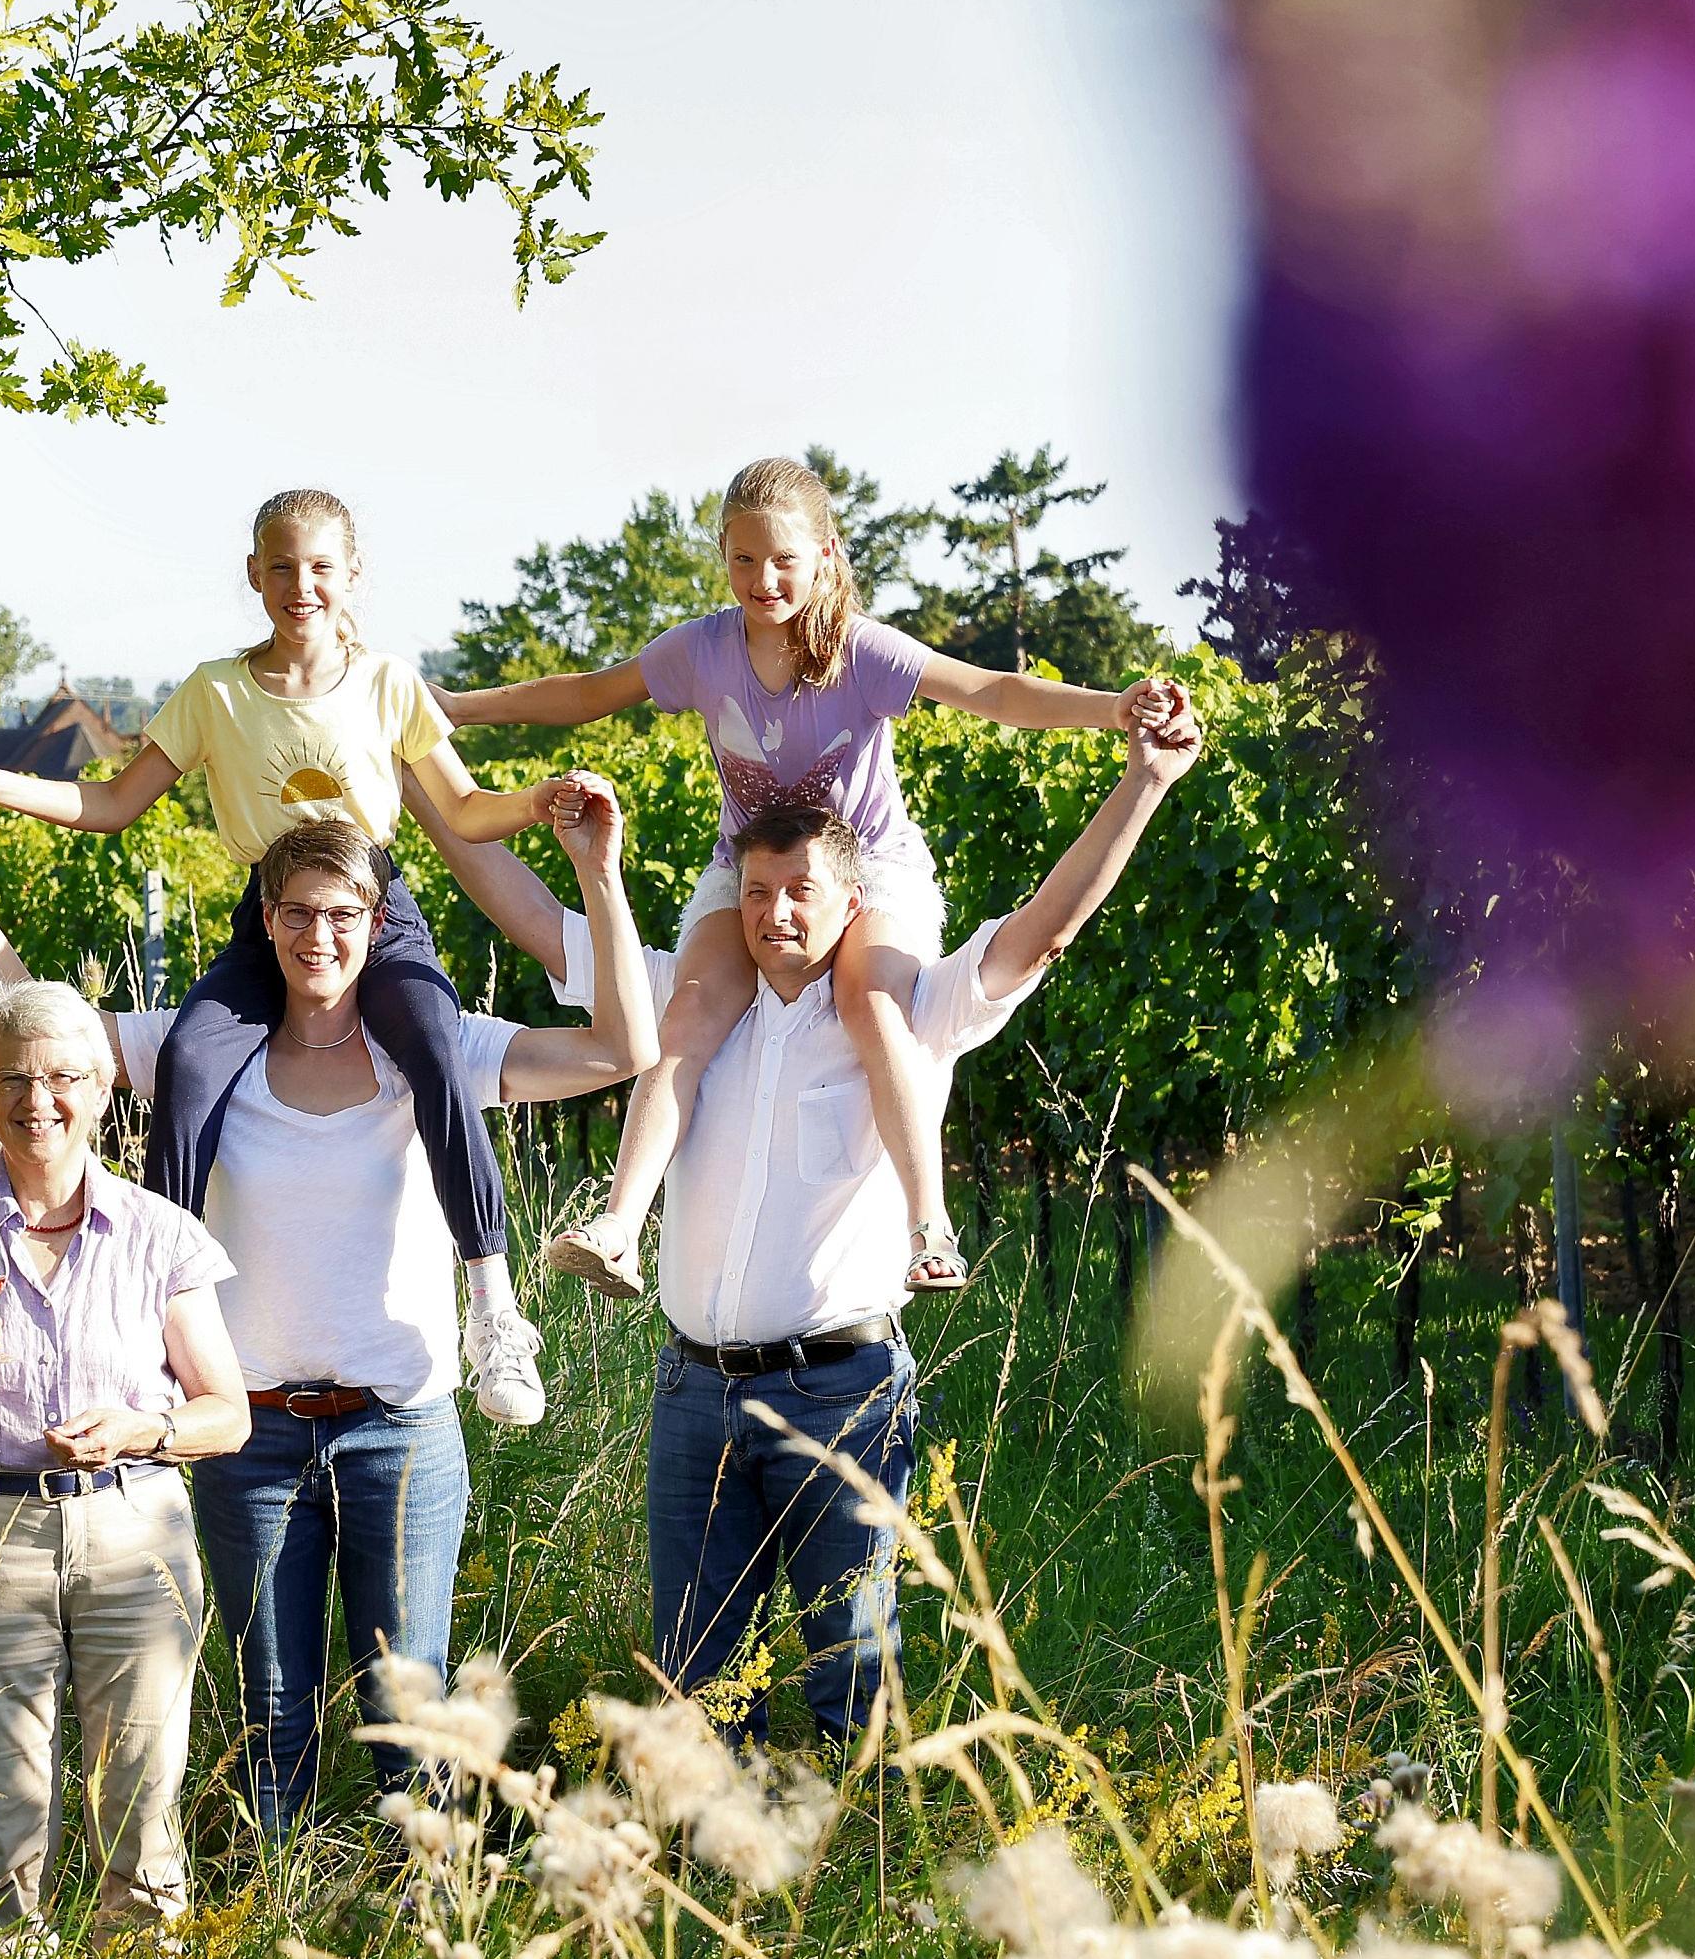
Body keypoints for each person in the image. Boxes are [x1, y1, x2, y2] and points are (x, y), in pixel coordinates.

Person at [0, 752, 658, 1835]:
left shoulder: (428, 1051)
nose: (319, 936)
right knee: (271, 1714)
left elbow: (621, 1048)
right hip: (247, 1436)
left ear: (377, 918)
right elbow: (26, 1020)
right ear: (264, 915)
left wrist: (596, 870)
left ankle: (414, 1909)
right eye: (295, 911)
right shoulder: (205, 1050)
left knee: (412, 1711)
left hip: (400, 1425)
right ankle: (280, 1902)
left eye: (343, 913)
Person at [433, 712, 1203, 1741]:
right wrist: (413, 772)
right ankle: (713, 1867)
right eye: (755, 892)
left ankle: (874, 1870)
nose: (775, 912)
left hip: (839, 1390)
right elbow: (530, 917)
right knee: (698, 1674)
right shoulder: (689, 1001)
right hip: (692, 1389)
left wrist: (1143, 784)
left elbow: (1040, 927)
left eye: (800, 891)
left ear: (852, 902)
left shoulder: (906, 1013)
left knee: (851, 1657)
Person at [441, 456, 1187, 1301]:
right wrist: (459, 708)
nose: (763, 579)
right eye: (744, 560)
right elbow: (585, 692)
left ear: (826, 553)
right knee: (685, 1012)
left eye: (784, 559)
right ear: (721, 556)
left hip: (866, 864)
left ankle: (928, 1226)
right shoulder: (701, 651)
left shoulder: (860, 652)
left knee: (871, 1000)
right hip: (749, 867)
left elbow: (992, 691)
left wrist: (1111, 706)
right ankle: (616, 1228)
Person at [0, 487, 586, 1427]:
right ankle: (145, 1305)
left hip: (375, 908)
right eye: (280, 566)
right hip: (266, 914)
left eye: (320, 567)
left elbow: (468, 809)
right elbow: (114, 802)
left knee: (436, 1049)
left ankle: (493, 1310)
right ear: (253, 574)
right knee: (194, 1060)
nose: (300, 585)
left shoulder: (389, 684)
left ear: (351, 577)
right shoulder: (215, 691)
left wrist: (540, 799)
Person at [0, 979, 252, 1923]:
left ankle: (142, 1941)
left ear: (102, 1089)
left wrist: (142, 1429)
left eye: (62, 1077)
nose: (37, 1100)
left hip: (134, 1525)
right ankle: (1, 1941)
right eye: (11, 1078)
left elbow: (228, 1413)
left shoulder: (161, 1234)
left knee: (144, 1804)